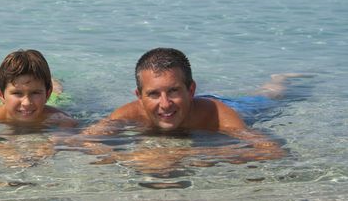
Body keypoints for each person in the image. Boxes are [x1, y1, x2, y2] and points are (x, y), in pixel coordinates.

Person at [81, 48, 306, 171]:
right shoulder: (129, 114)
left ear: (191, 89)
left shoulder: (217, 115)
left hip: (236, 107)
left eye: (174, 91)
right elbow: (83, 140)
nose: (165, 103)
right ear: (139, 96)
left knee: (268, 98)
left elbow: (273, 151)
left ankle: (280, 79)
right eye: (153, 94)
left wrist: (183, 155)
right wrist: (129, 158)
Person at [0, 49, 76, 167]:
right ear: (0, 94)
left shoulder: (55, 115)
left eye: (35, 93)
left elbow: (66, 128)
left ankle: (54, 84)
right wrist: (0, 149)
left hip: (53, 99)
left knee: (58, 94)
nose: (27, 103)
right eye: (17, 93)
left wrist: (51, 144)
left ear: (47, 94)